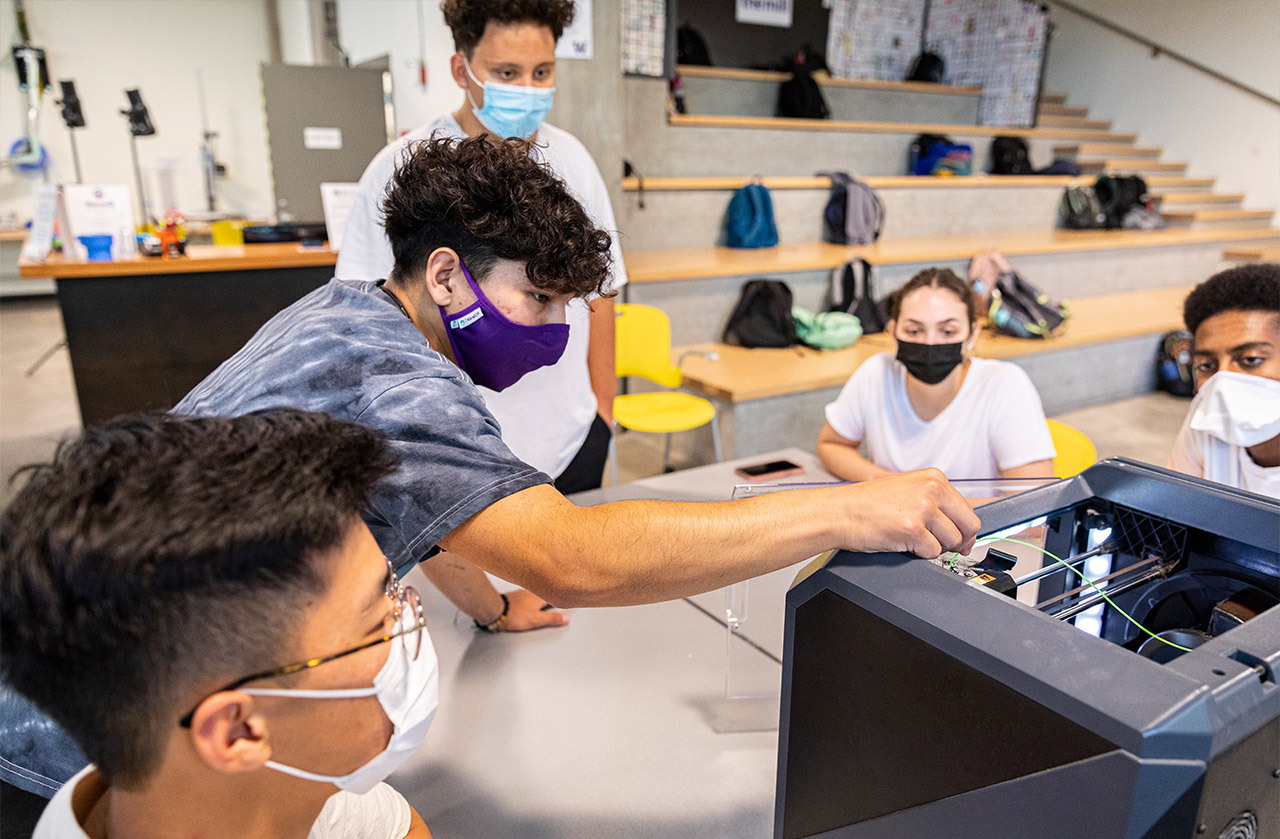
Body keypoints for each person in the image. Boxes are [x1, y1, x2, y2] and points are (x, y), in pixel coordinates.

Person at [176, 135, 980, 622]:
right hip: (106, 724)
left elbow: (432, 506)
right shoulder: (399, 381)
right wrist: (845, 508)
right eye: (538, 297)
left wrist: (491, 609)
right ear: (448, 275)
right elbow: (574, 558)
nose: (559, 331)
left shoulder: (345, 309)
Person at [1, 410, 437, 839]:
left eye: (395, 592)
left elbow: (397, 832)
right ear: (238, 731)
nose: (410, 620)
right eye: (380, 620)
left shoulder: (262, 780)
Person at [337, 0, 624, 633]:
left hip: (568, 438)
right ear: (460, 67)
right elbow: (368, 321)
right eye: (507, 72)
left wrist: (602, 409)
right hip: (457, 452)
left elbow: (603, 295)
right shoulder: (402, 171)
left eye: (542, 72)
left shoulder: (572, 160)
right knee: (478, 650)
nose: (527, 89)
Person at [818, 267, 1056, 483]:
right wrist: (892, 487)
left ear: (972, 335)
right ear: (893, 332)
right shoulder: (875, 374)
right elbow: (831, 444)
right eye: (914, 330)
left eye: (948, 331)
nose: (930, 342)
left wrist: (930, 507)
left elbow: (1034, 507)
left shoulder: (1004, 385)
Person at [1170, 263, 1280, 498]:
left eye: (1251, 360)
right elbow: (1177, 506)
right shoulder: (1206, 417)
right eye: (1207, 366)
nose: (1224, 380)